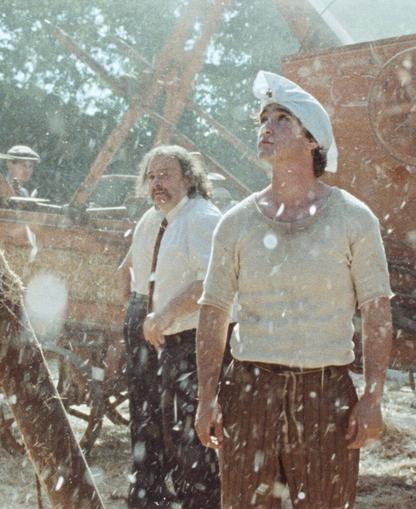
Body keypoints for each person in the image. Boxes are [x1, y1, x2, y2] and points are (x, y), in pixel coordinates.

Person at [195, 71, 394, 508]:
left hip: (323, 395)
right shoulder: (236, 223)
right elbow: (213, 313)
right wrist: (207, 397)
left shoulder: (353, 218)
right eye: (264, 118)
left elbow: (377, 312)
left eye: (282, 118)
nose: (266, 126)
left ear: (312, 142)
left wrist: (373, 397)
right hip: (248, 391)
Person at [139, 145, 224, 508]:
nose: (158, 183)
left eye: (167, 175)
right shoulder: (175, 217)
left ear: (189, 179)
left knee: (194, 450)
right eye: (152, 176)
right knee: (181, 445)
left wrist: (165, 315)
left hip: (196, 345)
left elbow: (212, 282)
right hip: (178, 347)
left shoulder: (201, 217)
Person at [117, 200, 171, 507]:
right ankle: (153, 490)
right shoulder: (173, 219)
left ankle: (145, 490)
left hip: (141, 310)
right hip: (157, 313)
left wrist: (132, 314)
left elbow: (122, 272)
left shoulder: (149, 216)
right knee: (164, 408)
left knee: (144, 410)